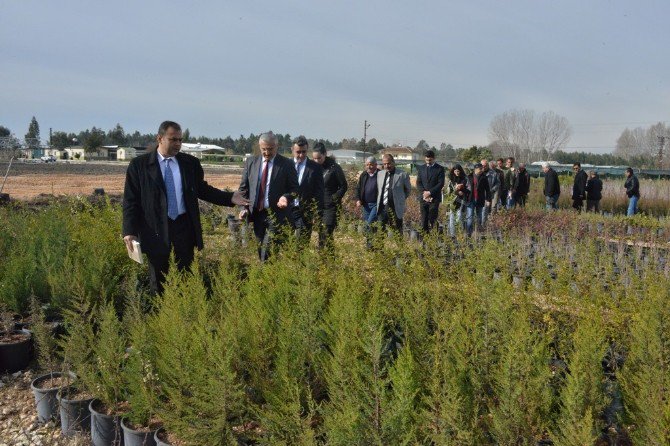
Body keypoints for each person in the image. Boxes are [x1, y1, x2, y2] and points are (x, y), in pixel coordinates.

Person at [122, 120, 249, 294]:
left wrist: (230, 197)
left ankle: (184, 317)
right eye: (173, 139)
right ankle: (161, 318)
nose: (178, 144)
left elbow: (203, 190)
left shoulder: (190, 164)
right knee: (159, 284)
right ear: (160, 138)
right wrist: (129, 231)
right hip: (156, 230)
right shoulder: (139, 166)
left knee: (185, 280)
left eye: (180, 140)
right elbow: (131, 200)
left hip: (183, 229)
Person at [239, 131, 299, 261]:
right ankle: (267, 275)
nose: (266, 152)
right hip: (258, 213)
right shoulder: (251, 163)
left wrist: (286, 197)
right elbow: (244, 189)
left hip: (277, 214)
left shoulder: (286, 164)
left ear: (277, 146)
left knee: (269, 249)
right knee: (260, 247)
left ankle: (268, 275)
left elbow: (295, 189)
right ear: (259, 147)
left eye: (270, 149)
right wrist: (243, 208)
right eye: (263, 149)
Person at [312, 142, 348, 249]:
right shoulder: (314, 168)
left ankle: (326, 257)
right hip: (318, 206)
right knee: (321, 233)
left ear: (325, 154)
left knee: (327, 231)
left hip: (331, 207)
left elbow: (343, 186)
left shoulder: (334, 168)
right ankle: (326, 258)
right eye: (314, 159)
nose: (317, 161)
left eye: (319, 158)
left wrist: (334, 198)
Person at [291, 136, 324, 245]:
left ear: (307, 149)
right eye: (298, 152)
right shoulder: (285, 165)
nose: (301, 155)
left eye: (304, 152)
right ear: (292, 150)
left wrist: (317, 213)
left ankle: (300, 262)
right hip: (286, 210)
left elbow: (319, 192)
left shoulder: (315, 168)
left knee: (302, 244)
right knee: (284, 244)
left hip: (305, 211)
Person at [376, 154, 411, 233]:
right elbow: (379, 189)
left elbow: (408, 190)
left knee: (397, 232)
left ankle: (400, 245)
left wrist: (400, 198)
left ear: (393, 162)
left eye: (388, 163)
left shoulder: (402, 174)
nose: (387, 166)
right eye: (384, 164)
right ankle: (380, 246)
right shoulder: (380, 174)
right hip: (382, 208)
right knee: (381, 232)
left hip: (395, 208)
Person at [415, 150, 445, 233]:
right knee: (424, 219)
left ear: (434, 158)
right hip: (423, 197)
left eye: (430, 160)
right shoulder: (421, 168)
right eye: (426, 160)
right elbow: (419, 182)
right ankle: (425, 238)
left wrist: (430, 193)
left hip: (434, 198)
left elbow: (440, 183)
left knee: (432, 218)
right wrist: (424, 194)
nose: (428, 162)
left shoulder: (440, 169)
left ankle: (436, 235)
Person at [447, 164, 471, 237]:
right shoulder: (451, 179)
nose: (457, 173)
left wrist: (462, 189)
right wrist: (456, 191)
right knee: (451, 217)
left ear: (460, 171)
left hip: (462, 201)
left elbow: (469, 190)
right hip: (452, 201)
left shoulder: (465, 179)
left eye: (458, 171)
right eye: (455, 171)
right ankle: (452, 235)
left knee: (459, 216)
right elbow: (447, 191)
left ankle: (460, 233)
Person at [355, 156, 380, 228]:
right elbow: (358, 188)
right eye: (367, 165)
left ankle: (372, 238)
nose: (369, 167)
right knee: (369, 225)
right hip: (366, 205)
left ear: (375, 165)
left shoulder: (380, 174)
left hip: (376, 204)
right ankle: (370, 239)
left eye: (371, 164)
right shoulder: (364, 174)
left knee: (368, 224)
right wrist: (358, 199)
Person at [467, 163, 491, 235]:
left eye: (482, 168)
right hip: (470, 199)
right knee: (470, 217)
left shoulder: (484, 177)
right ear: (475, 169)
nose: (482, 170)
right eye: (480, 168)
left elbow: (488, 189)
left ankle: (478, 232)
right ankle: (469, 233)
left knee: (479, 216)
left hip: (480, 199)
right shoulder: (469, 176)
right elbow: (466, 188)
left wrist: (488, 199)